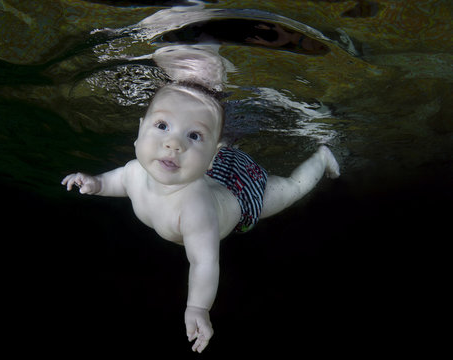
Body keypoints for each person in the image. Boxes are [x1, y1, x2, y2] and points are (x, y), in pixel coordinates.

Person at [61, 80, 340, 353]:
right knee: (212, 145)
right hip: (210, 171)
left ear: (209, 158)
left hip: (241, 193)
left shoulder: (195, 208)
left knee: (291, 189)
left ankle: (322, 156)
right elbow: (119, 182)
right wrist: (95, 183)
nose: (173, 144)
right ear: (139, 130)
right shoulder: (135, 170)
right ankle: (217, 140)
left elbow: (204, 261)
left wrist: (198, 307)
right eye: (162, 126)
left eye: (192, 136)